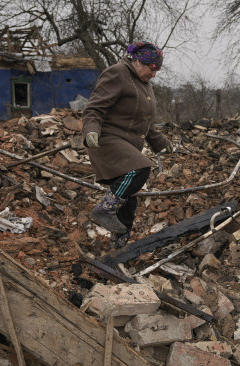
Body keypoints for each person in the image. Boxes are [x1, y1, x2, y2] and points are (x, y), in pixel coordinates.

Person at [82, 41, 173, 249]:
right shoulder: (117, 73)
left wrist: (161, 143)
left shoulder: (145, 84)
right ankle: (104, 210)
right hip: (106, 140)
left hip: (128, 145)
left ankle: (118, 249)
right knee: (139, 169)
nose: (154, 74)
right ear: (138, 62)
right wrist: (91, 131)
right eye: (152, 69)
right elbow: (94, 109)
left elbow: (146, 122)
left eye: (157, 70)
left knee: (129, 202)